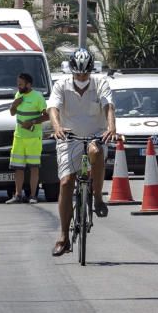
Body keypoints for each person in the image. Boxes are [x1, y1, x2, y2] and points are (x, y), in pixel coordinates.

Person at [48, 48, 117, 257]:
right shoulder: (61, 85)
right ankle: (63, 237)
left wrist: (111, 127)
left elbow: (108, 106)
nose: (81, 77)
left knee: (96, 151)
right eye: (78, 73)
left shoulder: (100, 83)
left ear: (90, 70)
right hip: (69, 138)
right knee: (66, 182)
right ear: (72, 71)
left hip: (95, 135)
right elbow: (53, 108)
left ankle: (97, 196)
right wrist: (57, 127)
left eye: (85, 73)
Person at [6, 72, 48, 204]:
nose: (18, 86)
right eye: (18, 84)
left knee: (34, 167)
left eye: (21, 84)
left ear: (28, 85)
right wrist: (14, 104)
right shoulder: (18, 95)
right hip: (19, 137)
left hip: (33, 138)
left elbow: (47, 116)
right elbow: (12, 113)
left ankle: (33, 196)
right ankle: (17, 195)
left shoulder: (38, 97)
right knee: (18, 167)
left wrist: (32, 122)